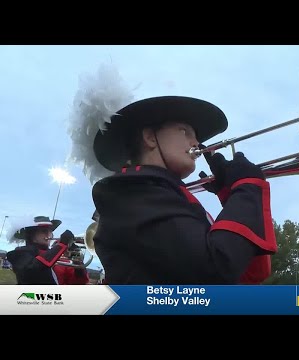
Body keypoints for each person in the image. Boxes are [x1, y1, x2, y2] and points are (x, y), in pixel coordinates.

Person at [70, 75, 278, 284]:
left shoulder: (164, 194)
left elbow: (250, 274)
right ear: (150, 137)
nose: (196, 141)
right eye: (185, 131)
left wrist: (231, 194)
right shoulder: (131, 195)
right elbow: (214, 271)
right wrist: (247, 188)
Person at [6, 216, 79, 285]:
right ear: (32, 235)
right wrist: (62, 244)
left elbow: (75, 283)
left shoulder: (57, 256)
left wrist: (78, 264)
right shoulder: (18, 254)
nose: (48, 234)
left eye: (50, 231)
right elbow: (33, 269)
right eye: (44, 231)